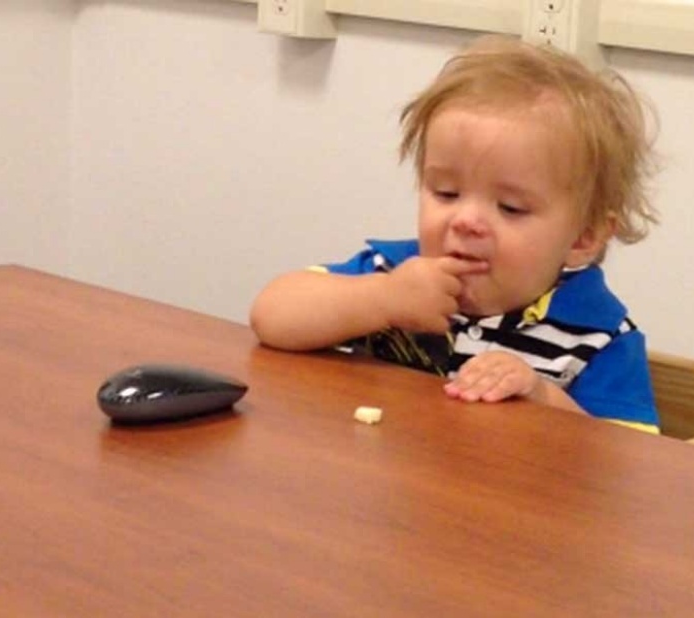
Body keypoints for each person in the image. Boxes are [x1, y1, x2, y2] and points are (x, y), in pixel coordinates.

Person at [250, 36, 660, 433]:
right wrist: (382, 298)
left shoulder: (600, 336)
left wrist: (542, 397)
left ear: (582, 238)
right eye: (446, 193)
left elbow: (624, 467)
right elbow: (271, 315)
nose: (465, 220)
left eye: (510, 208)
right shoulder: (394, 273)